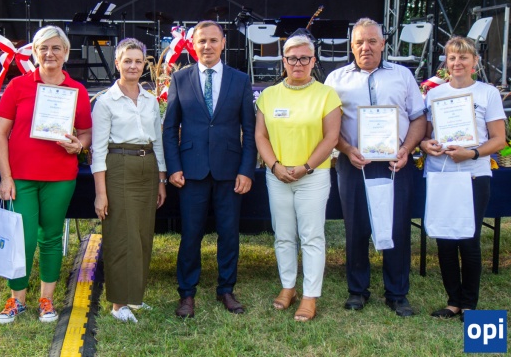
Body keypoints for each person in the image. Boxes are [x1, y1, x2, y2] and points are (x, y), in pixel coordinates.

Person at [324, 18, 426, 317]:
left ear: (383, 44)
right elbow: (328, 126)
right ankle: (357, 290)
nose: (365, 47)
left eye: (372, 41)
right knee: (356, 227)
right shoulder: (336, 80)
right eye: (359, 42)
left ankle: (397, 293)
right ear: (351, 46)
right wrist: (347, 149)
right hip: (353, 162)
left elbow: (418, 117)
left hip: (397, 162)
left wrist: (407, 149)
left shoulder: (402, 75)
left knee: (397, 226)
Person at [0, 25, 92, 324]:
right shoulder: (18, 86)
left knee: (50, 237)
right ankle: (17, 299)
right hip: (21, 176)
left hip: (60, 175)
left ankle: (46, 300)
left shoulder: (77, 90)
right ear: (34, 53)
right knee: (21, 238)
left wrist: (79, 145)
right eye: (43, 48)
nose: (49, 53)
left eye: (56, 48)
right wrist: (6, 177)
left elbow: (86, 133)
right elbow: (0, 134)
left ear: (66, 53)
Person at [163, 20, 256, 318]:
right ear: (194, 45)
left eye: (213, 40)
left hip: (230, 171)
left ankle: (226, 289)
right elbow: (170, 128)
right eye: (202, 41)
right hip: (191, 171)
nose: (207, 46)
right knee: (191, 234)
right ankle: (186, 293)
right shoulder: (180, 79)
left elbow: (250, 130)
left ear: (223, 43)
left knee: (229, 234)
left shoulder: (240, 80)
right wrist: (174, 167)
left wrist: (246, 170)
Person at [255, 35, 341, 321]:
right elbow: (260, 136)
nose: (298, 63)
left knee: (311, 236)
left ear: (313, 61)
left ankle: (309, 296)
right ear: (284, 61)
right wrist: (274, 166)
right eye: (292, 58)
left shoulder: (326, 95)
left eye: (304, 58)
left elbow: (331, 137)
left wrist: (306, 166)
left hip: (312, 175)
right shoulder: (268, 96)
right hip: (278, 175)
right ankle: (288, 287)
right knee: (283, 235)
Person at [421, 36, 505, 321]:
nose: (457, 63)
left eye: (463, 57)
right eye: (452, 58)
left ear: (474, 62)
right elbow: (426, 136)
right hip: (440, 173)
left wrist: (472, 153)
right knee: (444, 238)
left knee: (468, 238)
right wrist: (426, 145)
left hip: (474, 174)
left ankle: (469, 304)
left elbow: (499, 139)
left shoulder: (487, 93)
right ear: (446, 62)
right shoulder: (433, 94)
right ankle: (453, 302)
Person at [91, 38, 167, 323]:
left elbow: (158, 141)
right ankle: (118, 304)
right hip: (119, 166)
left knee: (142, 235)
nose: (133, 66)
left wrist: (161, 179)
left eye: (138, 61)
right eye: (127, 61)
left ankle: (135, 296)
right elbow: (98, 150)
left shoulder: (150, 100)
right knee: (121, 235)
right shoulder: (105, 102)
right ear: (117, 63)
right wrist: (101, 193)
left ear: (144, 64)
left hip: (148, 166)